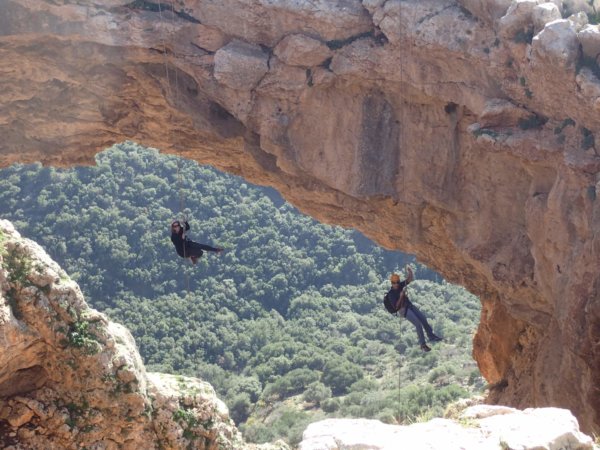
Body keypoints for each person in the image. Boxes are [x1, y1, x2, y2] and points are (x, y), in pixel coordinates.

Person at [385, 267, 442, 352]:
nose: (396, 284)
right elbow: (396, 307)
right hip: (403, 310)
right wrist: (401, 296)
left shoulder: (400, 285)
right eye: (394, 283)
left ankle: (431, 336)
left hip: (409, 305)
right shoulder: (391, 294)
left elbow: (409, 279)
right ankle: (423, 345)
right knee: (418, 324)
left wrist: (410, 272)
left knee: (423, 318)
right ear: (391, 283)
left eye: (397, 282)